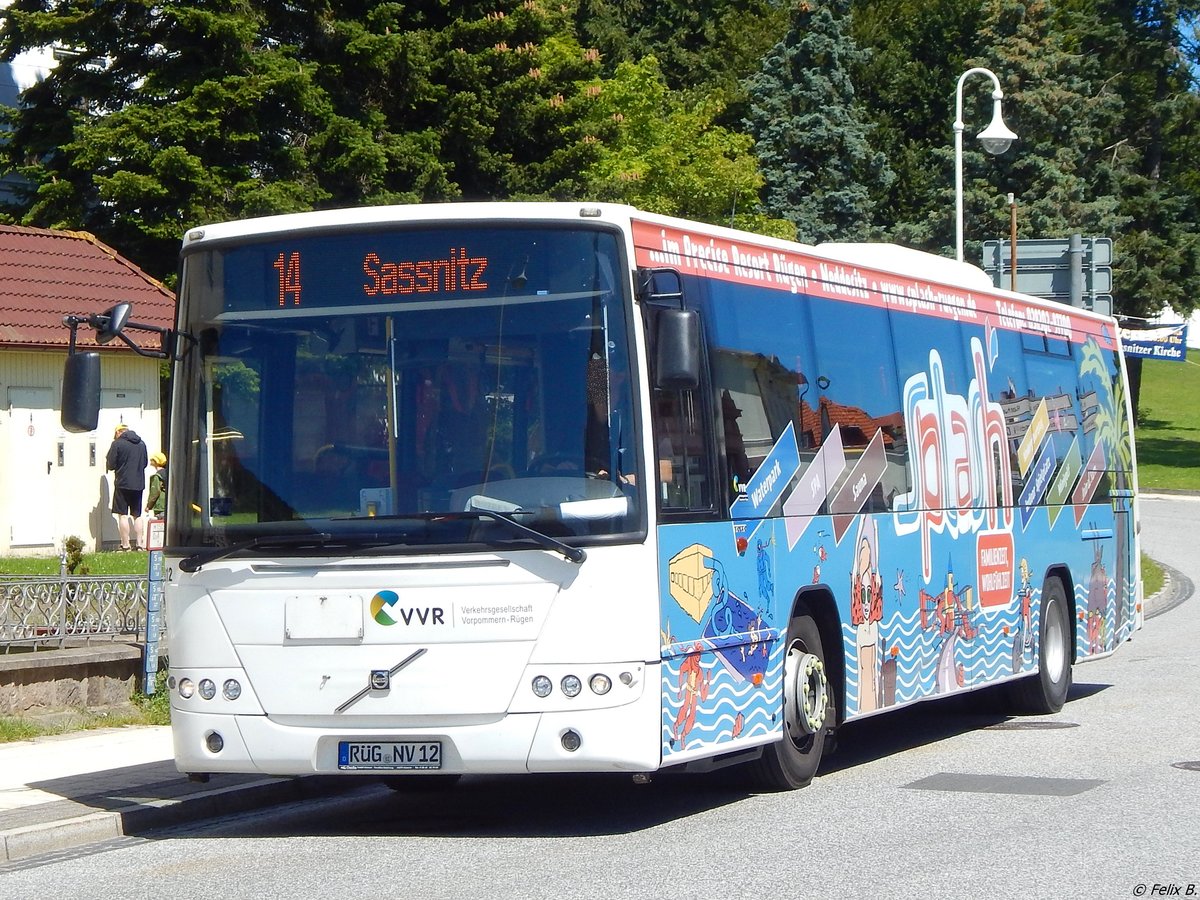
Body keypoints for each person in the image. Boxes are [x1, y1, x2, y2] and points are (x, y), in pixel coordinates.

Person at [106, 424, 149, 551]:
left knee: (123, 515)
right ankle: (140, 544)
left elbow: (111, 464)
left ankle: (125, 545)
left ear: (119, 432)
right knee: (137, 515)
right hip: (138, 484)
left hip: (122, 484)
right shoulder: (141, 444)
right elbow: (145, 463)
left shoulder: (117, 444)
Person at [145, 452, 168, 518]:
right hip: (168, 504)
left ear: (156, 461)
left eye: (152, 459)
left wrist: (148, 506)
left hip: (160, 506)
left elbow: (154, 492)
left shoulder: (157, 476)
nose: (150, 461)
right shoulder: (168, 473)